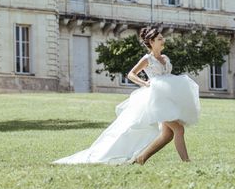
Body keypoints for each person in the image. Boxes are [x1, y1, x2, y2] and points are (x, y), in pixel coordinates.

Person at [53, 26, 200, 165]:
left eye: (162, 38)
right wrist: (146, 83)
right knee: (178, 129)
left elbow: (166, 76)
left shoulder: (165, 58)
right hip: (156, 99)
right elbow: (131, 74)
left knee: (167, 135)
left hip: (167, 97)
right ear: (151, 42)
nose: (163, 40)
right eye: (160, 38)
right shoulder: (147, 59)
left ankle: (141, 158)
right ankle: (186, 162)